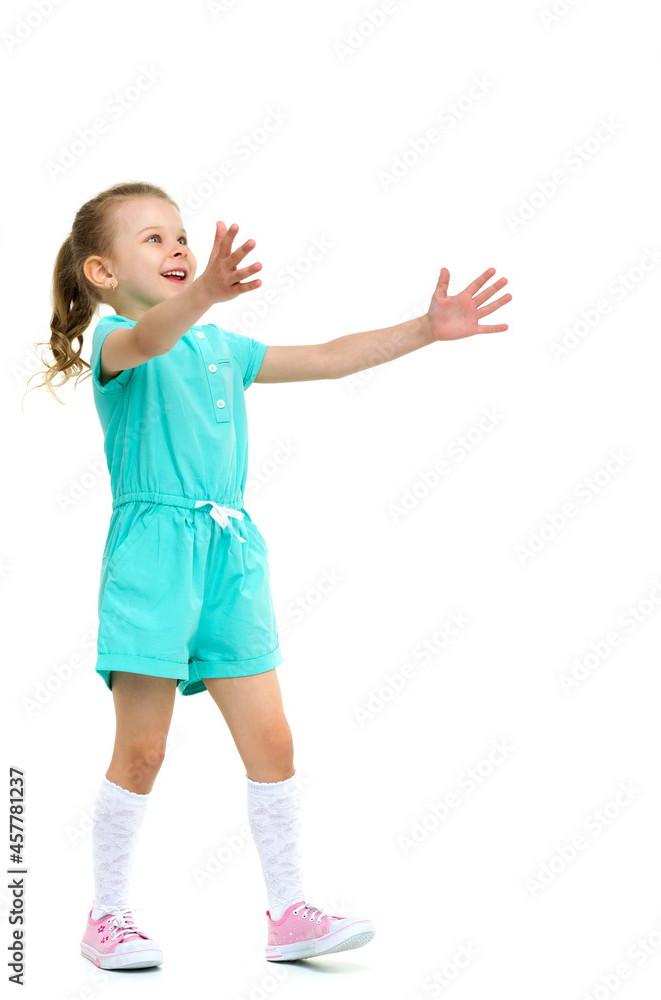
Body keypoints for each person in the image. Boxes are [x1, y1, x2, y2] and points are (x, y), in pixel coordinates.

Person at [32, 180, 512, 972]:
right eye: (152, 238)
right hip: (153, 562)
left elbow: (325, 358)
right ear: (102, 273)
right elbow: (151, 338)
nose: (177, 246)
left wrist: (425, 329)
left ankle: (289, 912)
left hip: (231, 555)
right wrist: (206, 293)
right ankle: (106, 916)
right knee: (143, 750)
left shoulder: (221, 348)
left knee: (273, 741)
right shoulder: (117, 342)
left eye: (180, 234)